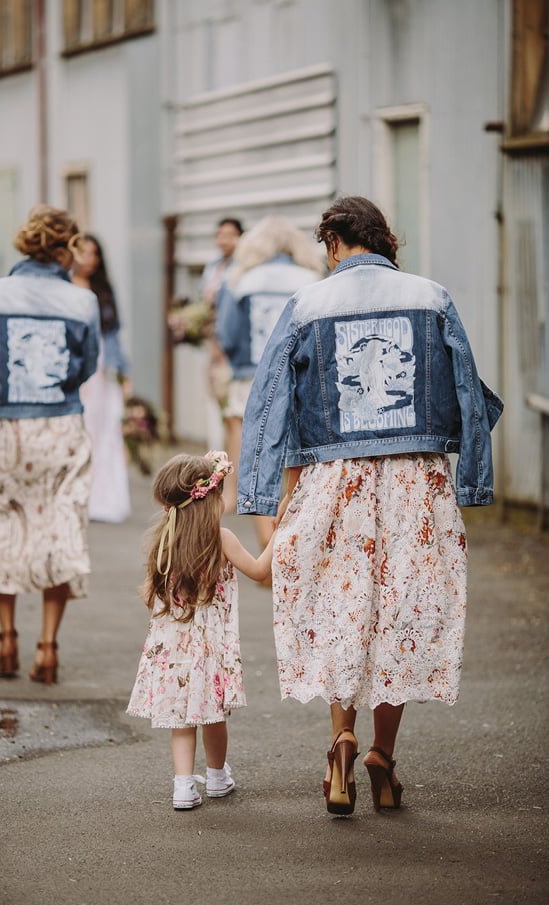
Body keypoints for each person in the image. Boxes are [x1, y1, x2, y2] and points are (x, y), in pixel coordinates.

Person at [237, 196, 503, 815]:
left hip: (337, 481)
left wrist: (261, 494)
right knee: (400, 614)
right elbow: (469, 390)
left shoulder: (307, 304)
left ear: (333, 242)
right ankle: (382, 755)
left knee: (343, 607)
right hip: (417, 482)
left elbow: (268, 401)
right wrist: (472, 479)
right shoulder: (431, 297)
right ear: (384, 241)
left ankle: (341, 744)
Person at [0, 205, 100, 685]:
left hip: (9, 431)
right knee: (58, 529)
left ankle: (6, 640)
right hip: (61, 429)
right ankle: (48, 646)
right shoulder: (82, 301)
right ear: (68, 248)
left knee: (2, 526)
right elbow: (86, 367)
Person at [127, 451, 275, 810]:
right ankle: (217, 776)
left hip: (172, 649)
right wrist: (279, 533)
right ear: (210, 499)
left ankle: (182, 787)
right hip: (209, 649)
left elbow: (149, 596)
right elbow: (259, 571)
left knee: (182, 719)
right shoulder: (221, 538)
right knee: (212, 715)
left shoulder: (164, 539)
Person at [216, 216, 323, 545]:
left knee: (258, 456)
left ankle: (268, 542)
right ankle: (293, 537)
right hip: (301, 376)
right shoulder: (312, 281)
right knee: (296, 456)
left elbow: (227, 334)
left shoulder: (240, 280)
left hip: (252, 374)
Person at [72, 234, 131, 523]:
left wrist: (123, 373)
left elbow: (112, 334)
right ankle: (76, 496)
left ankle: (102, 499)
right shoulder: (63, 288)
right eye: (84, 252)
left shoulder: (103, 290)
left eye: (94, 253)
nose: (89, 259)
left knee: (106, 431)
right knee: (79, 431)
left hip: (102, 368)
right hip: (76, 366)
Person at [201, 218, 244, 449]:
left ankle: (230, 452)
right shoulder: (213, 266)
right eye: (220, 235)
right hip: (213, 342)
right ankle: (217, 450)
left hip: (231, 347)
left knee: (231, 405)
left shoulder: (242, 267)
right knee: (214, 397)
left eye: (229, 235)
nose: (223, 240)